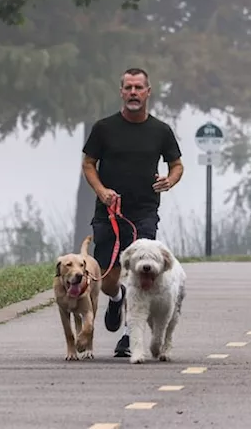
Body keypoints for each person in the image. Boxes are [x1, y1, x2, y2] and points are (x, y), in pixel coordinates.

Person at [82, 67, 184, 357]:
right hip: (109, 212)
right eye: (128, 88)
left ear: (148, 92)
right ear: (121, 92)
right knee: (107, 277)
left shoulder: (160, 131)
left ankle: (129, 337)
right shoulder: (104, 128)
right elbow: (89, 163)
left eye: (139, 88)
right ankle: (117, 299)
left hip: (144, 211)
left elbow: (176, 165)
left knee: (142, 274)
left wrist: (170, 179)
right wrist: (102, 191)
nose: (133, 93)